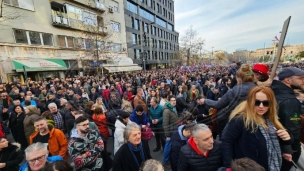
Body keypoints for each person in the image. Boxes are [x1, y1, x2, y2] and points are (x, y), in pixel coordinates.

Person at [222, 87, 292, 171]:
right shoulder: (240, 120)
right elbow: (226, 141)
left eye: (266, 103)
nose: (261, 106)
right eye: (257, 102)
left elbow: (284, 138)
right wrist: (228, 166)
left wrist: (287, 137)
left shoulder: (270, 120)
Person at [202, 64, 257, 136]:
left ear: (239, 78)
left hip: (232, 123)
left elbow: (218, 104)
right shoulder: (259, 91)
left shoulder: (231, 92)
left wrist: (205, 101)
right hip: (253, 123)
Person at [271, 67, 304, 170]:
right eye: (301, 78)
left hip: (275, 144)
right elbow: (293, 128)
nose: (303, 81)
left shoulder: (273, 91)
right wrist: (294, 150)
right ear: (287, 80)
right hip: (286, 147)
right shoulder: (290, 101)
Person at [162, 95, 178, 168]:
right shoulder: (167, 111)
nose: (174, 102)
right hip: (170, 132)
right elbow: (165, 124)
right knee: (167, 147)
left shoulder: (173, 108)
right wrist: (167, 135)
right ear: (169, 101)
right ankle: (165, 161)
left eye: (174, 100)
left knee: (170, 146)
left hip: (174, 130)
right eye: (172, 100)